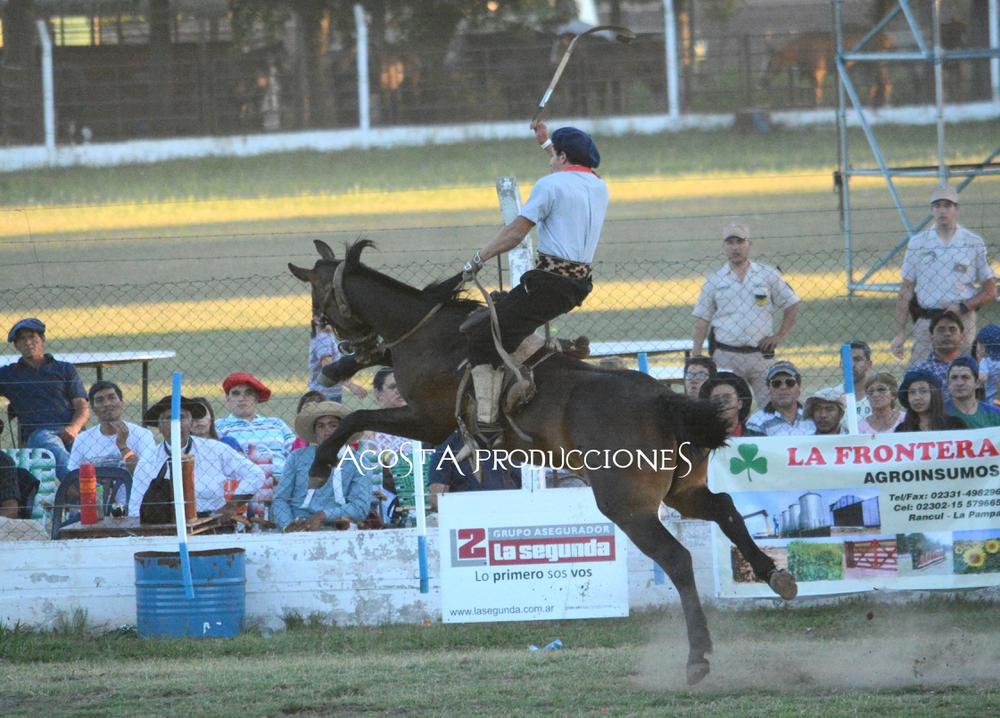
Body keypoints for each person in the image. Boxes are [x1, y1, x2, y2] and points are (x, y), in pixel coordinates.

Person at [459, 121, 608, 447]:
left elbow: (515, 233)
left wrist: (476, 261)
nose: (549, 160)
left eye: (554, 155)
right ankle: (555, 348)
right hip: (577, 285)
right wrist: (545, 142)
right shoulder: (599, 186)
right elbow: (571, 167)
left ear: (564, 156)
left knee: (484, 335)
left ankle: (486, 423)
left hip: (547, 283)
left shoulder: (549, 186)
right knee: (510, 322)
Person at [691, 222, 801, 406]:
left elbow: (792, 303)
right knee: (727, 407)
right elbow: (702, 319)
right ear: (723, 247)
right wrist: (696, 355)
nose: (735, 247)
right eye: (730, 242)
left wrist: (780, 335)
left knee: (771, 406)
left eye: (740, 242)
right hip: (726, 355)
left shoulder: (767, 275)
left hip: (761, 355)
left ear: (749, 244)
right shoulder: (715, 280)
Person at [891, 185, 996, 362]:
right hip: (927, 321)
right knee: (921, 375)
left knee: (964, 373)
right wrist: (899, 333)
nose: (942, 210)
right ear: (931, 210)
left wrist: (963, 306)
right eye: (937, 205)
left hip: (961, 322)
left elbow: (990, 290)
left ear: (956, 209)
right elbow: (906, 290)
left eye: (947, 205)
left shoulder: (973, 243)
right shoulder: (918, 243)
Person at [128, 395, 265, 518]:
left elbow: (255, 474)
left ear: (191, 423)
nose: (176, 423)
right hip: (165, 526)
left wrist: (230, 508)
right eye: (169, 418)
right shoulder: (148, 460)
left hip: (210, 523)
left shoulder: (214, 449)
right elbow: (135, 509)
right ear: (159, 426)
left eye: (182, 417)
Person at [0, 318, 89, 480]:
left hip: (71, 430)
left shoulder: (64, 369)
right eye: (22, 339)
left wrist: (74, 428)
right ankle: (80, 486)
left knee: (87, 456)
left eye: (32, 337)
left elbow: (82, 406)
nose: (28, 342)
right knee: (52, 445)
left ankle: (80, 501)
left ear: (43, 339)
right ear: (16, 346)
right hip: (39, 433)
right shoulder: (9, 375)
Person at [272, 401, 372, 532]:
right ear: (314, 432)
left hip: (339, 527)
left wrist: (323, 515)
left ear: (344, 430)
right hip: (297, 525)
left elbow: (360, 507)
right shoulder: (297, 457)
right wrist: (288, 526)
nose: (327, 431)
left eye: (333, 426)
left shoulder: (359, 462)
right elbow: (281, 499)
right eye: (321, 426)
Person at [215, 372, 295, 485]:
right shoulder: (219, 426)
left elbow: (295, 453)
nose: (242, 398)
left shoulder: (276, 424)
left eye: (248, 393)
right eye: (236, 393)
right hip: (244, 488)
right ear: (227, 398)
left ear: (257, 397)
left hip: (283, 486)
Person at [67, 381, 157, 475]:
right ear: (93, 408)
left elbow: (146, 475)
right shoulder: (82, 439)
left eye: (112, 398)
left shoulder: (142, 435)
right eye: (100, 400)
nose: (107, 404)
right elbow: (72, 478)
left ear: (121, 402)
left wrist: (123, 446)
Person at [427, 429, 521, 510]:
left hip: (471, 520)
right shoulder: (517, 438)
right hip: (511, 517)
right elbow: (437, 499)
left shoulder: (448, 447)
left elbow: (437, 500)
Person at [745, 361, 816, 436]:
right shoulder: (756, 423)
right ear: (769, 389)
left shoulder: (813, 418)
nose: (783, 387)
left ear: (799, 388)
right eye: (776, 383)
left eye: (790, 382)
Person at [907, 311, 965, 402]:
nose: (947, 334)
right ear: (931, 336)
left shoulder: (970, 368)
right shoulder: (919, 370)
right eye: (941, 329)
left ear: (962, 337)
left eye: (952, 329)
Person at [308, 319, 367, 403]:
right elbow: (328, 369)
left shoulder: (325, 337)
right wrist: (351, 386)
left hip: (325, 393)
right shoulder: (324, 339)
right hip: (325, 395)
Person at [895, 370, 966, 433]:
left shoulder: (955, 425)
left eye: (923, 391)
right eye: (912, 392)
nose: (917, 397)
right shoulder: (902, 430)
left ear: (935, 395)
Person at [698, 372, 763, 438]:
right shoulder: (699, 440)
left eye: (727, 398)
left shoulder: (759, 438)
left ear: (740, 403)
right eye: (716, 400)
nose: (722, 403)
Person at [945, 356, 1000, 428]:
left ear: (977, 383)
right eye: (954, 377)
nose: (959, 383)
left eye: (965, 377)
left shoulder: (995, 414)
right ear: (948, 383)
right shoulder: (939, 413)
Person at [826, 340, 873, 424]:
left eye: (857, 359)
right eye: (847, 360)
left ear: (868, 364)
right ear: (841, 364)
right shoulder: (829, 396)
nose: (851, 365)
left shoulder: (878, 397)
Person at [973, 324, 1000, 405]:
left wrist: (974, 385)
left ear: (984, 347)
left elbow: (983, 378)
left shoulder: (985, 361)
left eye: (978, 346)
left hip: (992, 397)